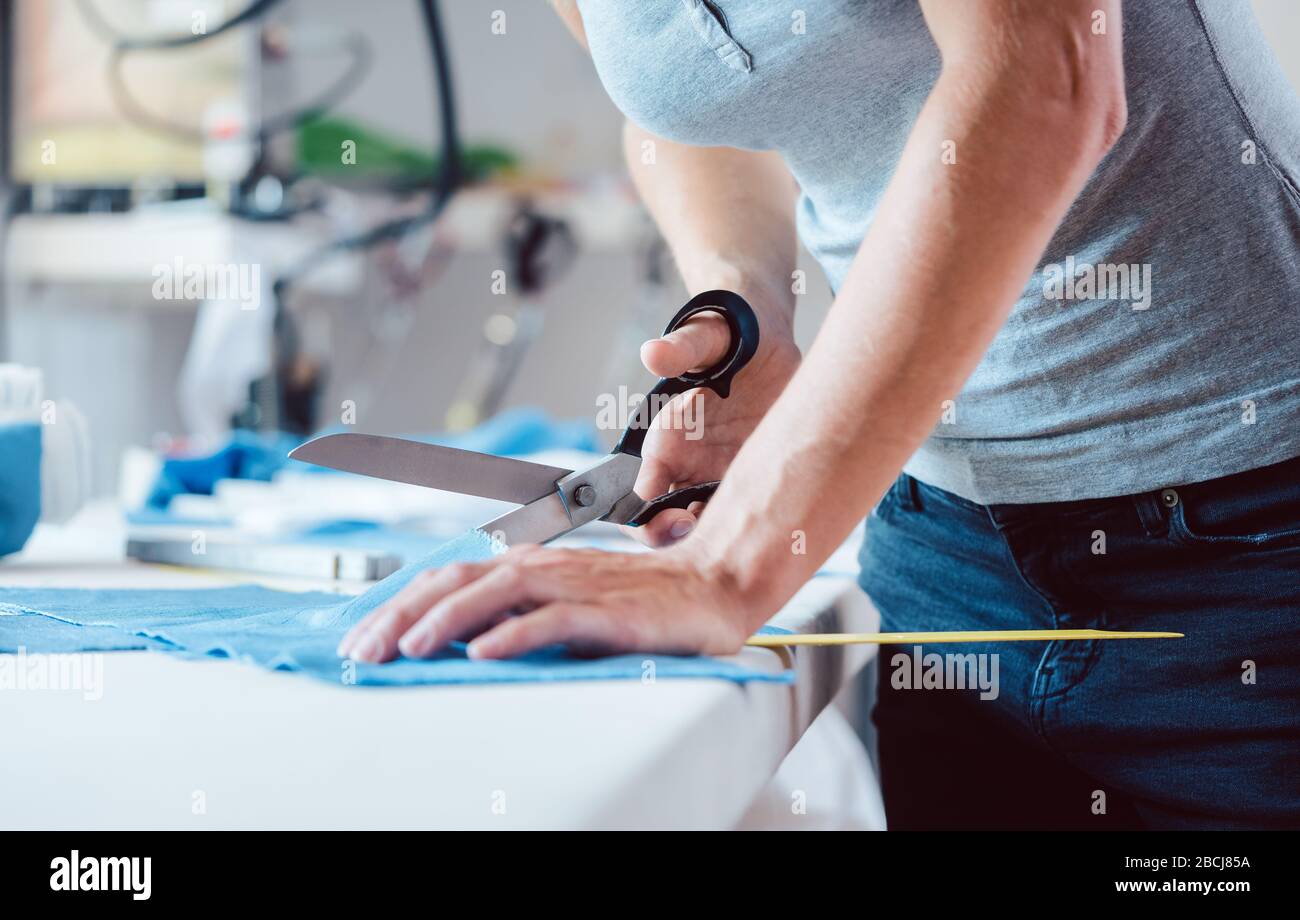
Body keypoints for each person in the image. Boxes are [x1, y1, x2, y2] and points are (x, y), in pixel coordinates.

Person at [340, 0, 1300, 829]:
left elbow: (1045, 81)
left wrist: (733, 563)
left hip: (1247, 541)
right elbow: (668, 91)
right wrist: (741, 301)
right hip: (940, 547)